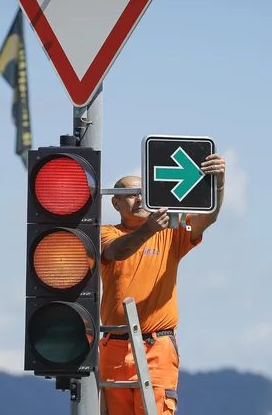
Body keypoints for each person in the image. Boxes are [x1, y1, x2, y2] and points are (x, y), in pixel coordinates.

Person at [98, 153, 226, 415]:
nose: (140, 199)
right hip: (114, 347)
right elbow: (117, 251)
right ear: (115, 203)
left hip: (157, 346)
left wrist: (219, 183)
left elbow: (208, 217)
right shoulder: (106, 232)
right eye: (132, 194)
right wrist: (148, 230)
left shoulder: (171, 232)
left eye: (145, 193)